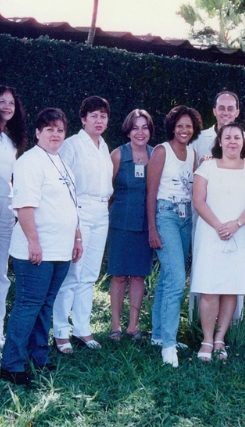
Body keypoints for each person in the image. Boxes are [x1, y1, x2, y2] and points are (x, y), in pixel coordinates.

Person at [0, 108, 83, 385]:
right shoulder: (29, 162)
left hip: (61, 249)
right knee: (28, 304)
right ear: (38, 133)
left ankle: (39, 357)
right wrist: (34, 243)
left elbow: (71, 206)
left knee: (45, 305)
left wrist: (77, 237)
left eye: (60, 129)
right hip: (37, 250)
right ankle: (12, 364)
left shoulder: (63, 163)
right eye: (49, 129)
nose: (56, 134)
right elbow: (23, 206)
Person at [191, 123, 245, 362]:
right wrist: (219, 225)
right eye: (227, 137)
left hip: (240, 232)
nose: (232, 142)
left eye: (237, 138)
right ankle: (207, 340)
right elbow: (199, 201)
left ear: (244, 143)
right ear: (219, 141)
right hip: (211, 232)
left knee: (231, 287)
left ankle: (221, 339)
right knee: (210, 287)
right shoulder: (206, 167)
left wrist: (236, 224)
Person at [54, 96, 113, 353]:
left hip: (102, 212)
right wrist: (73, 220)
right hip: (79, 211)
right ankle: (60, 331)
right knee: (72, 273)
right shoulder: (72, 145)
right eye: (94, 115)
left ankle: (82, 328)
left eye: (103, 116)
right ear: (83, 119)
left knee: (90, 275)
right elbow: (63, 186)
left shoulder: (103, 146)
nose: (99, 120)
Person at [147, 105, 201, 367]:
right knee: (177, 279)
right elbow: (150, 192)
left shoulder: (192, 153)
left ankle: (157, 335)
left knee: (168, 278)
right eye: (180, 125)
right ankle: (168, 345)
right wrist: (152, 228)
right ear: (172, 126)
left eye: (188, 126)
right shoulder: (161, 151)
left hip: (185, 218)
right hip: (165, 215)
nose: (184, 130)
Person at [0, 85, 27, 348]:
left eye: (11, 102)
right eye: (2, 102)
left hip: (6, 207)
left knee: (0, 272)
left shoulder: (12, 140)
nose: (7, 107)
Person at [107, 109, 155, 341]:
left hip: (146, 224)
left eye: (144, 127)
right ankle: (115, 326)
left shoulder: (156, 155)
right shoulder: (117, 155)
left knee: (138, 276)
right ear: (128, 129)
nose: (140, 132)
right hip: (120, 223)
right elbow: (106, 191)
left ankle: (132, 327)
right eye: (135, 127)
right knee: (119, 276)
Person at [190, 91, 245, 165]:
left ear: (237, 113)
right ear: (214, 111)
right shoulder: (198, 138)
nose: (225, 113)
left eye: (230, 109)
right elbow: (191, 171)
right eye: (221, 108)